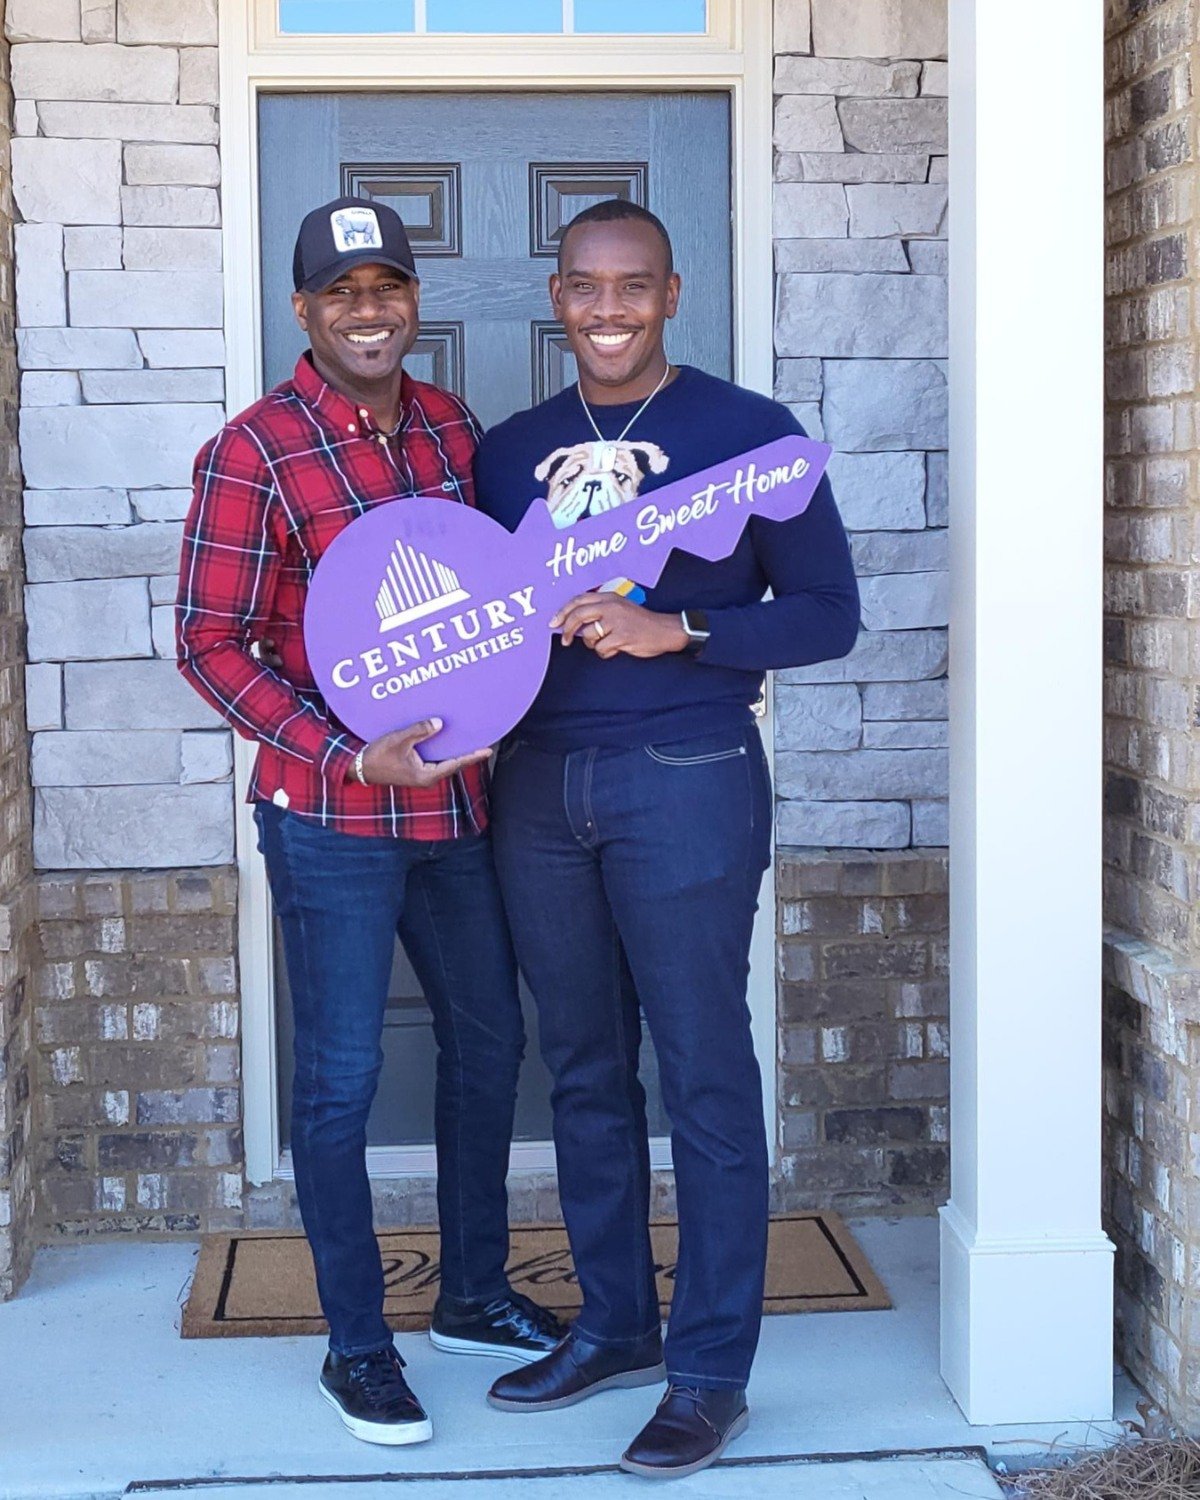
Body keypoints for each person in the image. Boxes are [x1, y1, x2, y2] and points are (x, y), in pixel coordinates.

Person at [473, 199, 860, 1480]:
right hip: (538, 787)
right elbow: (480, 628)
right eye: (586, 285)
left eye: (633, 284)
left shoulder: (749, 434)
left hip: (686, 772)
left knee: (703, 1072)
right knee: (583, 1069)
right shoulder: (507, 452)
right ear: (556, 296)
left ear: (672, 294)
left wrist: (680, 630)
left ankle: (709, 1375)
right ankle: (616, 1328)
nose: (609, 308)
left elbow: (828, 614)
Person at [176, 196, 565, 1449]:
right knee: (340, 1081)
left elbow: (490, 600)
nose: (366, 310)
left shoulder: (451, 427)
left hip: (457, 807)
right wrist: (347, 752)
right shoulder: (254, 450)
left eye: (385, 286)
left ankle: (472, 1296)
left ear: (412, 301)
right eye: (340, 291)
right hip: (331, 817)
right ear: (304, 309)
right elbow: (209, 643)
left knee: (489, 1042)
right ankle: (357, 1346)